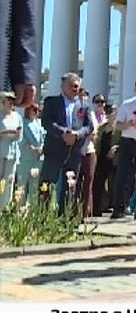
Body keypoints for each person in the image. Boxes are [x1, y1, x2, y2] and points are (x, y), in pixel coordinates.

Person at [40, 73, 95, 212]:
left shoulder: (84, 105)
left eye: (77, 86)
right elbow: (46, 122)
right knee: (46, 184)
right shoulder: (51, 102)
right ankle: (42, 217)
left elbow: (89, 126)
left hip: (74, 151)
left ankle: (63, 219)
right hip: (54, 149)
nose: (75, 88)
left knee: (70, 186)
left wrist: (76, 135)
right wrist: (63, 133)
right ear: (62, 86)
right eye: (71, 85)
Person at [111, 80, 136, 218]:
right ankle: (118, 208)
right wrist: (127, 124)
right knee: (122, 174)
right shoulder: (127, 104)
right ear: (135, 90)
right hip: (128, 141)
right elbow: (118, 125)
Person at [79, 92, 108, 217]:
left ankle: (86, 211)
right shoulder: (74, 113)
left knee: (89, 182)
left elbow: (94, 132)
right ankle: (73, 210)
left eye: (102, 102)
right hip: (77, 150)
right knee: (76, 181)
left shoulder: (91, 114)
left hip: (91, 150)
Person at [0, 90, 22, 206]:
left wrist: (17, 135)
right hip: (1, 152)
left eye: (12, 101)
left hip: (12, 153)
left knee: (9, 181)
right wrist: (6, 132)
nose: (11, 103)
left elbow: (20, 136)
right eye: (8, 100)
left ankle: (4, 209)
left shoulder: (17, 117)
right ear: (3, 101)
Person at [17, 102, 43, 202]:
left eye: (38, 110)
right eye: (34, 110)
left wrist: (41, 148)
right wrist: (31, 148)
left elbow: (44, 136)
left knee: (34, 187)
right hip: (25, 158)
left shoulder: (40, 122)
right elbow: (21, 138)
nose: (36, 112)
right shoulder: (22, 122)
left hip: (38, 158)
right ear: (28, 110)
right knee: (22, 185)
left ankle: (32, 210)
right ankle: (20, 210)